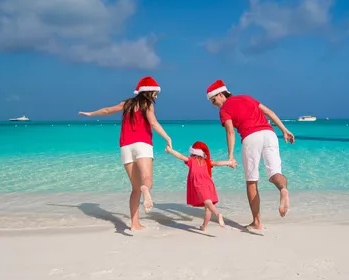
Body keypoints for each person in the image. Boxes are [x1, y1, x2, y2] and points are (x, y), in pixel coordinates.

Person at [79, 76, 172, 231]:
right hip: (142, 143)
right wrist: (167, 137)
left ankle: (134, 224)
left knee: (135, 188)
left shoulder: (127, 103)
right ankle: (146, 191)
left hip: (125, 146)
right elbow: (153, 123)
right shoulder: (147, 104)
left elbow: (107, 110)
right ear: (148, 92)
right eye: (155, 93)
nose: (156, 96)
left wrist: (91, 114)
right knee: (147, 181)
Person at [206, 80, 295, 230]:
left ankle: (257, 222)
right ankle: (283, 190)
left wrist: (230, 156)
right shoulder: (247, 98)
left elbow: (230, 132)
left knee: (251, 182)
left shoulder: (224, 110)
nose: (213, 104)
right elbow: (269, 112)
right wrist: (284, 130)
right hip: (270, 134)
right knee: (275, 174)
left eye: (213, 100)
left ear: (221, 94)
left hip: (251, 138)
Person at [165, 141, 237, 231]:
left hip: (199, 185)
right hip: (209, 184)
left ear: (193, 153)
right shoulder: (206, 162)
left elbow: (180, 156)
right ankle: (204, 226)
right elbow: (218, 163)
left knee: (207, 203)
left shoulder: (191, 160)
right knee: (207, 208)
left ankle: (218, 215)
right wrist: (229, 163)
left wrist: (170, 150)